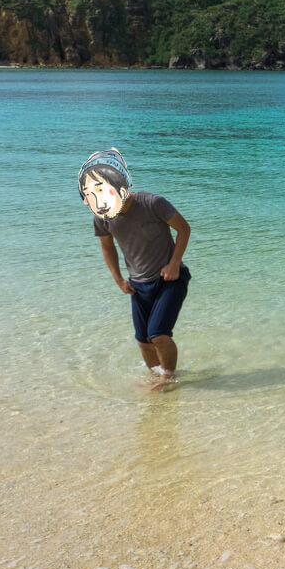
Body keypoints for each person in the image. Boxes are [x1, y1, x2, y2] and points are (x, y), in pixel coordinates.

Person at [78, 149, 191, 391]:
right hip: (137, 284)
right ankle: (156, 377)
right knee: (143, 341)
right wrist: (118, 279)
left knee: (158, 334)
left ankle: (168, 379)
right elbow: (107, 248)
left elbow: (184, 229)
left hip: (170, 279)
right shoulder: (102, 216)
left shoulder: (153, 203)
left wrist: (174, 264)